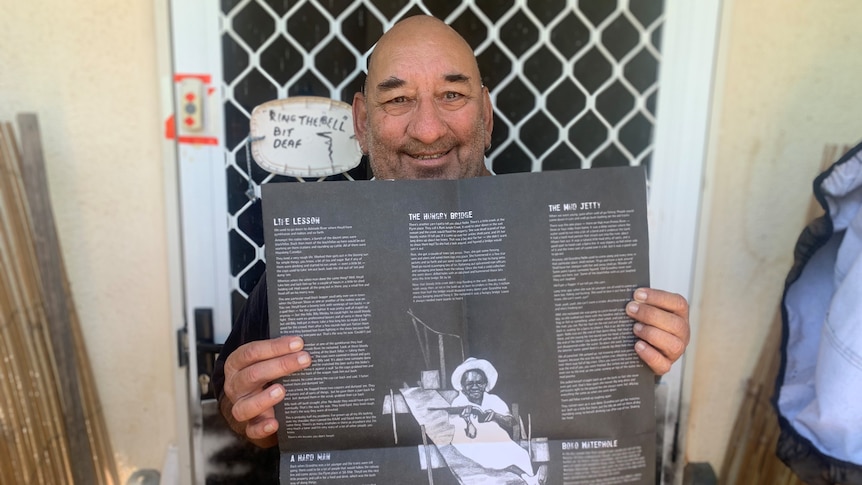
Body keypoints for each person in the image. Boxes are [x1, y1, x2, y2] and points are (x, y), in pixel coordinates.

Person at [213, 14, 689, 452]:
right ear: (361, 121)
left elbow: (613, 394)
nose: (426, 129)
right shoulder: (314, 255)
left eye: (452, 95)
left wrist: (651, 344)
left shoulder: (563, 242)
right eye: (398, 99)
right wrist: (245, 408)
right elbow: (238, 404)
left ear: (486, 113)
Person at [445, 358, 546, 485]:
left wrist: (495, 416)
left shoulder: (493, 399)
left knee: (521, 454)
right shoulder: (458, 403)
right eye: (470, 383)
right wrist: (467, 419)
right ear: (463, 387)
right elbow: (467, 436)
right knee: (494, 455)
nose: (475, 387)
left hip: (497, 438)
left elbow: (511, 422)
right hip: (471, 442)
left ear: (485, 384)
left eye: (479, 383)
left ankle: (531, 480)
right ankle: (527, 478)